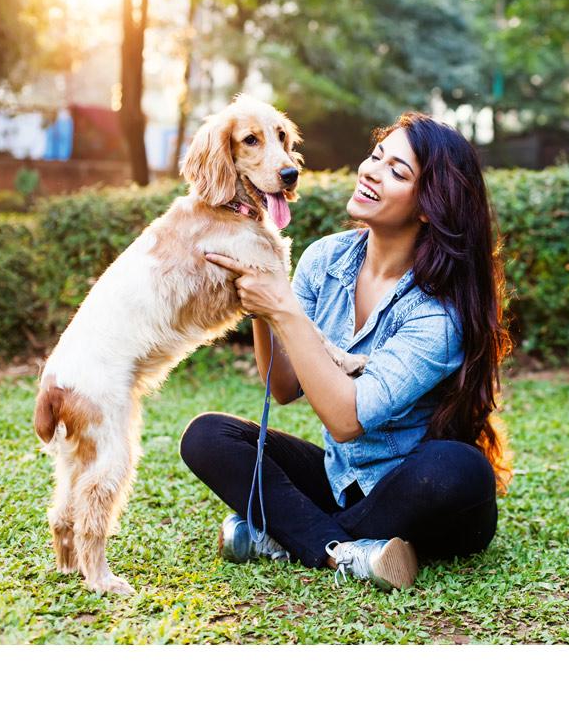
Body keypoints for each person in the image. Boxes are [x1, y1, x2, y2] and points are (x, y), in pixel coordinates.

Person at [178, 112, 513, 591]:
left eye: (398, 172)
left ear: (428, 207)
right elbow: (283, 385)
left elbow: (346, 420)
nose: (372, 171)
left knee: (458, 468)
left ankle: (293, 538)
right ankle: (349, 551)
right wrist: (260, 300)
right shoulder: (325, 258)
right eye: (377, 157)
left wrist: (283, 308)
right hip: (342, 482)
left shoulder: (439, 313)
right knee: (208, 436)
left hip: (418, 493)